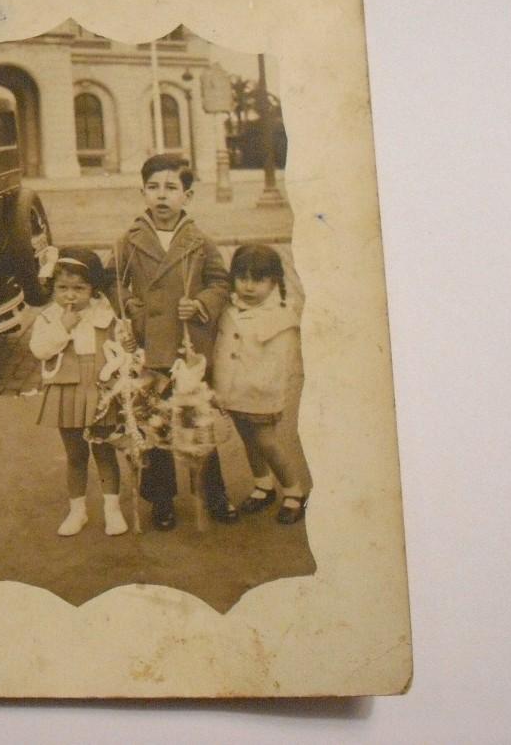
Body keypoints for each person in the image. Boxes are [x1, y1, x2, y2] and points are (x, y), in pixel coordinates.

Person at [109, 154, 237, 530]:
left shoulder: (199, 241)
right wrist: (132, 308)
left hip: (187, 350)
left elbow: (221, 282)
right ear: (143, 193)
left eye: (170, 188)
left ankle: (213, 494)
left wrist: (200, 303)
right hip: (150, 348)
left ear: (188, 196)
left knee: (197, 422)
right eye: (153, 187)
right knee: (154, 426)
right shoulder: (129, 240)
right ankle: (161, 500)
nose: (161, 195)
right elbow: (112, 281)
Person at [29, 247, 129, 537]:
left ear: (92, 288)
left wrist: (127, 346)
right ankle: (77, 511)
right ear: (53, 288)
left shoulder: (106, 315)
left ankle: (112, 510)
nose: (70, 296)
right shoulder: (49, 318)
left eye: (79, 288)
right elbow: (40, 350)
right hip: (67, 390)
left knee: (105, 452)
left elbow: (122, 351)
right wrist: (63, 327)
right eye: (62, 288)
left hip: (100, 391)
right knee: (75, 455)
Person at [213, 244, 312, 524]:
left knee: (267, 442)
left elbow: (280, 362)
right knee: (248, 439)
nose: (248, 286)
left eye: (258, 279)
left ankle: (294, 490)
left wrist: (262, 387)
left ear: (274, 281)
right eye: (242, 278)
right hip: (231, 391)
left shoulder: (279, 317)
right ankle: (263, 485)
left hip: (260, 393)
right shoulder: (230, 308)